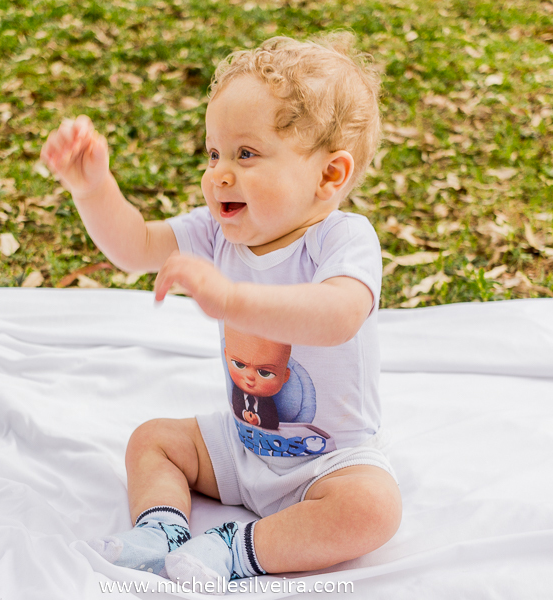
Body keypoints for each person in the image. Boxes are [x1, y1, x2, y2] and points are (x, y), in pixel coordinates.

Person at [41, 32, 402, 588]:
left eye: (246, 154)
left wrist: (231, 299)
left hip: (328, 461)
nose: (218, 174)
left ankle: (238, 548)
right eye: (214, 153)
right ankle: (161, 529)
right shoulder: (216, 233)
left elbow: (338, 315)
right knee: (153, 440)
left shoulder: (342, 240)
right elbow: (134, 246)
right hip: (240, 445)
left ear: (329, 176)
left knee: (373, 509)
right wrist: (93, 189)